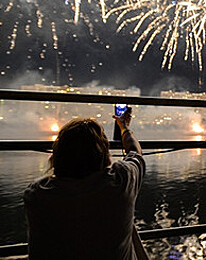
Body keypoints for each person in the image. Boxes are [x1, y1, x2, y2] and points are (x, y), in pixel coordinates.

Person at [23, 107, 147, 260]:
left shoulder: (36, 194)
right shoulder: (121, 180)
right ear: (103, 153)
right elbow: (134, 151)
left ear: (58, 154)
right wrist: (124, 127)